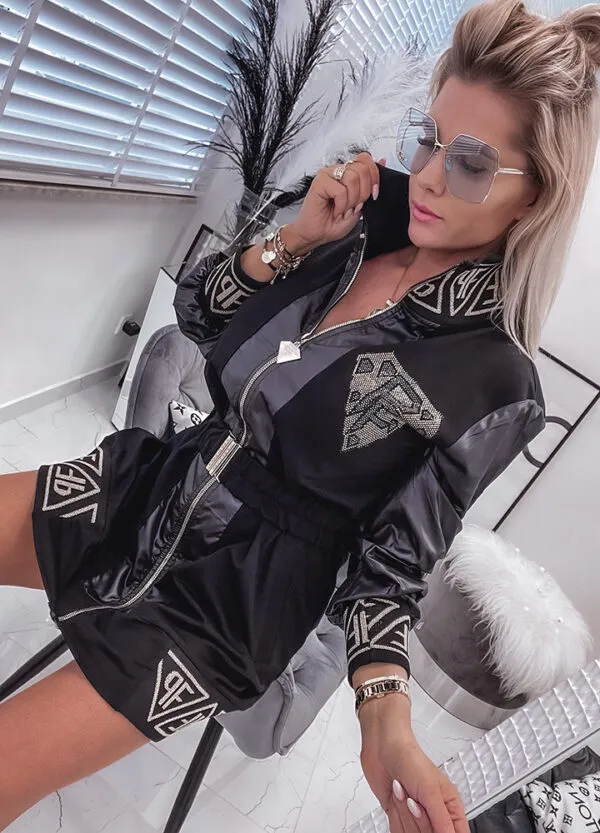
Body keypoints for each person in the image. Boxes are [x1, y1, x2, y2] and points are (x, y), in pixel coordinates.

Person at [1, 0, 599, 829]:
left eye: (469, 163)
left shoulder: (492, 381)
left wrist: (386, 721)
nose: (430, 175)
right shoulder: (360, 220)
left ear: (534, 196)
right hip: (153, 484)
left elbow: (393, 563)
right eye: (428, 139)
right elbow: (202, 318)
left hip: (227, 608)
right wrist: (298, 239)